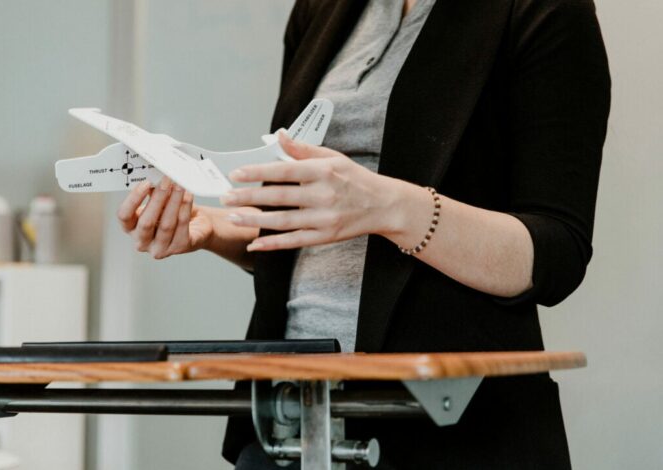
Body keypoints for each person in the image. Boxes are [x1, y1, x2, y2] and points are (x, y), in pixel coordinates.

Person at [116, 0, 610, 468]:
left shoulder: (544, 10)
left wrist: (388, 207)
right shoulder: (321, 10)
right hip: (289, 418)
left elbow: (555, 253)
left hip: (448, 430)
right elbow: (312, 223)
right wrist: (213, 229)